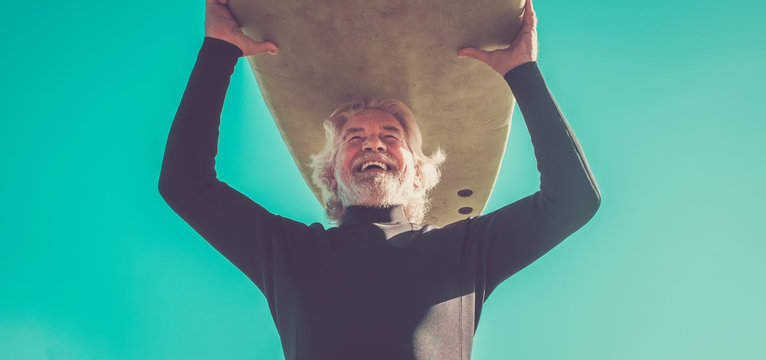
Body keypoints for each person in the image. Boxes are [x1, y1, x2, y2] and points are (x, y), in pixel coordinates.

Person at [158, 0, 601, 358]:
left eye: (391, 136)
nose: (373, 144)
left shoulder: (465, 253)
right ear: (331, 173)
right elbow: (185, 183)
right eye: (355, 138)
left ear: (419, 173)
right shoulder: (289, 254)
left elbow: (574, 199)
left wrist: (522, 71)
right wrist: (218, 49)